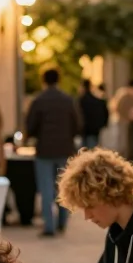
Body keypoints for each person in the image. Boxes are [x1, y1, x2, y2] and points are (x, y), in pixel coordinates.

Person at [26, 68, 82, 237]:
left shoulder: (39, 100)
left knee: (46, 188)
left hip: (44, 150)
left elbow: (31, 126)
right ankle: (62, 222)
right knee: (63, 187)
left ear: (44, 80)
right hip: (65, 149)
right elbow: (78, 124)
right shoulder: (67, 100)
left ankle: (49, 225)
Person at [112, 78, 133, 160]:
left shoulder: (122, 95)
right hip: (127, 123)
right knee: (126, 145)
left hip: (125, 123)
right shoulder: (130, 96)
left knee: (125, 144)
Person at [78, 78, 108, 151]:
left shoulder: (81, 100)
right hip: (94, 131)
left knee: (83, 154)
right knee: (92, 152)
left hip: (85, 131)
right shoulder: (97, 100)